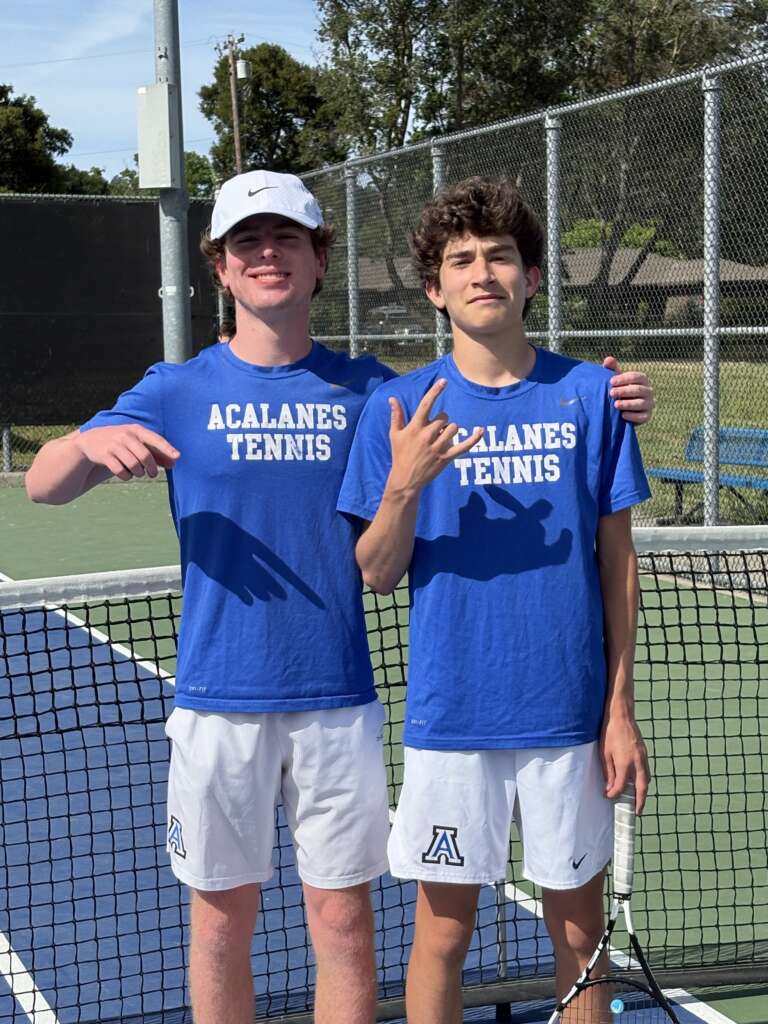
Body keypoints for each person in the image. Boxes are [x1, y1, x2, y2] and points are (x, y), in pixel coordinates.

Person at [25, 170, 653, 1024]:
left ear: (321, 259)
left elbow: (491, 383)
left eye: (286, 239)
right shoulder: (175, 389)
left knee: (346, 925)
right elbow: (43, 486)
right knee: (220, 925)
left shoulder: (376, 391)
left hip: (343, 705)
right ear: (219, 266)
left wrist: (614, 392)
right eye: (247, 241)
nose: (267, 255)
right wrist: (95, 443)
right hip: (220, 703)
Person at [337, 176, 652, 1023]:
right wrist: (403, 485)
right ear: (435, 289)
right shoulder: (396, 407)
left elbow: (617, 563)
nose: (483, 272)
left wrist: (618, 711)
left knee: (580, 936)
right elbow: (374, 570)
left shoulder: (591, 395)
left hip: (568, 721)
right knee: (442, 935)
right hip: (453, 720)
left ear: (532, 278)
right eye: (461, 260)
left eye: (501, 256)